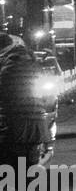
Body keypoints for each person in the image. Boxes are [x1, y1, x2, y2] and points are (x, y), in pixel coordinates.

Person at [0, 33, 49, 171]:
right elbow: (44, 97)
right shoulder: (31, 62)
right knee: (27, 172)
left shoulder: (5, 65)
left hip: (13, 129)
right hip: (36, 130)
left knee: (10, 173)